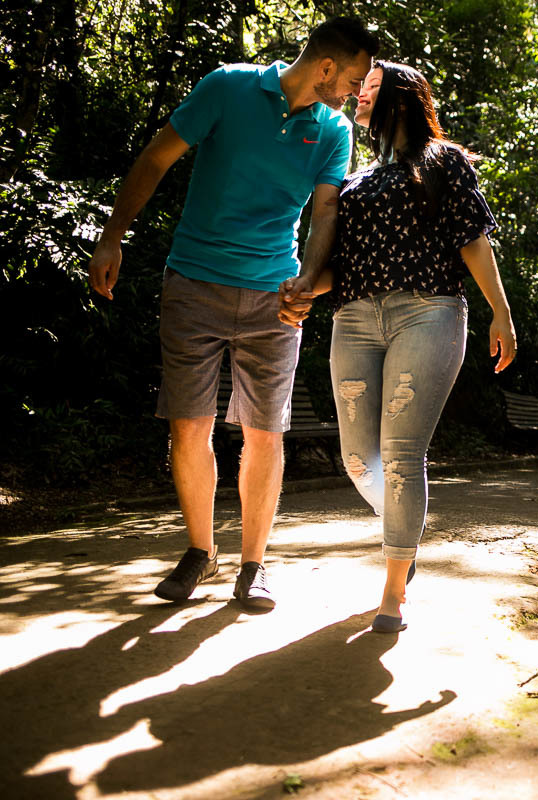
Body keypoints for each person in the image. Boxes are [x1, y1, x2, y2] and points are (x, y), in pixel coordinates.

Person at [87, 18, 379, 611]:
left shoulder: (333, 130)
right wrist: (113, 236)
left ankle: (253, 565)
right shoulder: (226, 87)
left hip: (274, 297)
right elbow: (157, 157)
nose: (353, 92)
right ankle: (200, 551)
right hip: (193, 283)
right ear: (325, 66)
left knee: (265, 431)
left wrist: (306, 281)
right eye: (351, 78)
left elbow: (326, 215)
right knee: (188, 423)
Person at [278, 61, 516, 633]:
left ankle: (393, 593)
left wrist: (501, 312)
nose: (357, 96)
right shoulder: (356, 179)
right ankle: (406, 531)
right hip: (355, 318)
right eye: (358, 89)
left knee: (404, 456)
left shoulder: (443, 162)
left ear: (403, 101)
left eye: (371, 89)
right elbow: (343, 266)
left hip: (428, 312)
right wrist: (305, 288)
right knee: (360, 460)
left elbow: (473, 241)